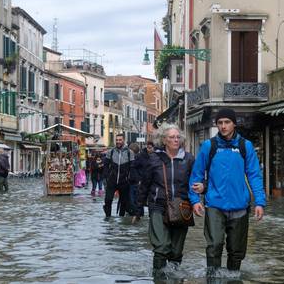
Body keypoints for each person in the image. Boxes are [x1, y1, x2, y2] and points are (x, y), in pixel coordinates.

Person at [188, 108, 266, 276]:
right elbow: (196, 175)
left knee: (236, 251)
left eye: (227, 122)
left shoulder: (245, 146)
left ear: (234, 124)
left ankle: (233, 279)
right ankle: (212, 279)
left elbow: (254, 175)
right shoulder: (209, 146)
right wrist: (195, 200)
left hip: (240, 206)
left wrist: (259, 202)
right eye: (220, 123)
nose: (223, 126)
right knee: (214, 246)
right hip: (215, 205)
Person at [133, 124, 195, 279]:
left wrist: (202, 192)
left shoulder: (189, 159)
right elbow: (145, 185)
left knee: (176, 251)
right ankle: (159, 278)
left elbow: (199, 181)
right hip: (158, 206)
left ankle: (174, 279)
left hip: (182, 208)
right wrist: (138, 209)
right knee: (161, 247)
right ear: (164, 140)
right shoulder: (154, 159)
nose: (175, 139)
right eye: (171, 137)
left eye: (177, 137)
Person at [103, 134, 134, 218]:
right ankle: (108, 218)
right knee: (108, 200)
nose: (118, 142)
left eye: (120, 140)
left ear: (123, 140)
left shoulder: (129, 153)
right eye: (116, 140)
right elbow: (105, 165)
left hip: (124, 181)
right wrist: (106, 177)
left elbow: (132, 167)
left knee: (123, 202)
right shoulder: (111, 151)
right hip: (112, 180)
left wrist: (130, 178)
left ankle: (121, 220)